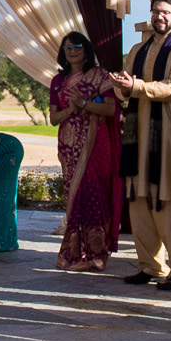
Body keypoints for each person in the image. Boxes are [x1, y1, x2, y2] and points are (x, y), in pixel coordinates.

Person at [112, 0, 171, 291]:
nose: (159, 17)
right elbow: (125, 88)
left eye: (165, 12)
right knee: (140, 202)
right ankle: (150, 265)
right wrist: (122, 87)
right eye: (155, 12)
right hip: (138, 139)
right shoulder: (138, 49)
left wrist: (134, 86)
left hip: (169, 140)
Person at [49, 31, 121, 272]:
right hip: (69, 147)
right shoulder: (57, 81)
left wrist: (83, 104)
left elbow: (111, 109)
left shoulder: (100, 76)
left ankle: (96, 255)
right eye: (68, 48)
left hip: (95, 146)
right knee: (73, 197)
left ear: (86, 49)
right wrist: (72, 109)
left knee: (92, 195)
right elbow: (54, 118)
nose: (73, 51)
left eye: (78, 46)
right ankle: (74, 252)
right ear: (63, 53)